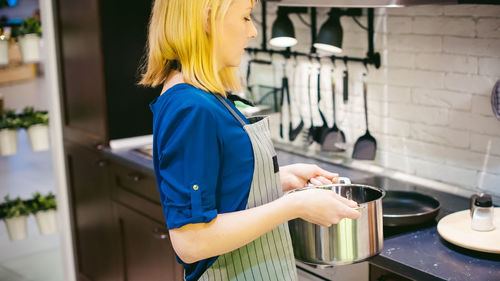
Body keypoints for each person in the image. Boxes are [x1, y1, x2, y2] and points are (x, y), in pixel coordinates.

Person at [139, 0, 360, 280]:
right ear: (207, 20)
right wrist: (296, 205)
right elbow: (191, 243)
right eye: (245, 18)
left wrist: (279, 179)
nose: (253, 31)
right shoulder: (190, 107)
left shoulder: (205, 95)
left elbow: (220, 188)